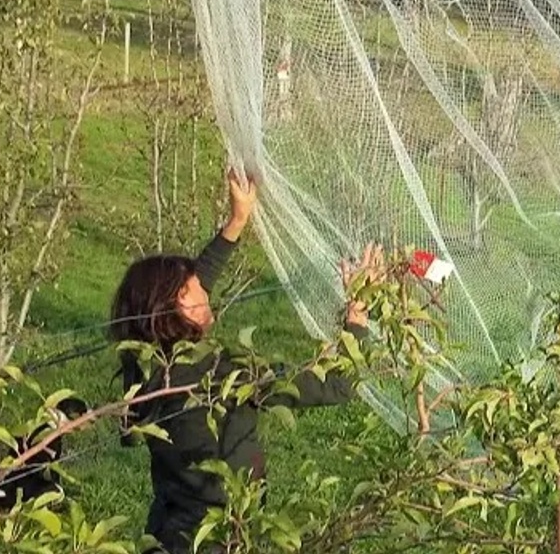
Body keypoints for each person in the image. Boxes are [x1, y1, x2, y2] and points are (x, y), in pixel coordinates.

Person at [109, 169, 374, 553]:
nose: (205, 287)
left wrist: (236, 223)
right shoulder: (226, 374)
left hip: (167, 530)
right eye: (193, 287)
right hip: (219, 537)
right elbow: (337, 384)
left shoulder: (143, 359)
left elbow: (191, 282)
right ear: (174, 306)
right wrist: (357, 321)